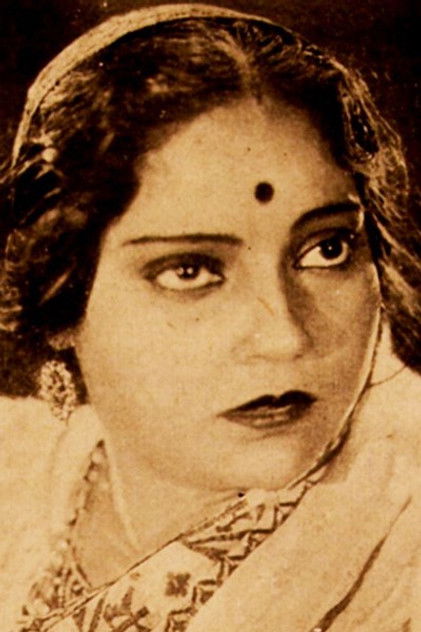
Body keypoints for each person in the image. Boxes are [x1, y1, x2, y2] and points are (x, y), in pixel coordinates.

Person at [0, 3, 419, 630]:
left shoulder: (404, 559)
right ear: (59, 296)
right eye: (191, 270)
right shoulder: (18, 473)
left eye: (327, 249)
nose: (284, 335)